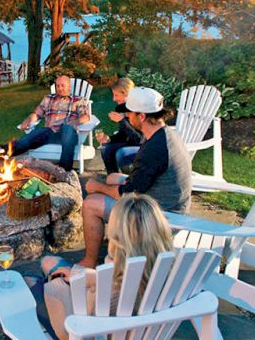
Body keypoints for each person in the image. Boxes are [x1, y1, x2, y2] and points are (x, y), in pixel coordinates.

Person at [80, 86, 191, 268]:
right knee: (113, 177)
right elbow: (142, 179)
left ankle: (89, 262)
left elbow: (128, 194)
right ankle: (115, 237)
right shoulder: (165, 134)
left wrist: (97, 187)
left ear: (141, 116)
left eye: (130, 114)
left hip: (160, 217)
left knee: (91, 203)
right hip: (168, 202)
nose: (128, 118)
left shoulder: (155, 149)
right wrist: (112, 181)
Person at [40, 194, 174, 339]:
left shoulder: (114, 285)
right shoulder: (166, 267)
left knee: (32, 282)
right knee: (50, 263)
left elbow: (90, 314)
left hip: (81, 327)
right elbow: (119, 281)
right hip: (134, 327)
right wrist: (90, 277)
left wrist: (69, 284)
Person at [0, 74, 90, 172]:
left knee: (66, 129)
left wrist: (72, 123)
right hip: (49, 133)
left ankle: (64, 170)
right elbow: (37, 113)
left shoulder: (78, 100)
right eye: (58, 86)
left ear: (69, 87)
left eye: (63, 86)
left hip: (67, 134)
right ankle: (2, 151)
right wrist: (27, 121)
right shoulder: (48, 98)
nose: (60, 88)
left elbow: (85, 116)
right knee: (33, 136)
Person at [97, 77, 142, 173]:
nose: (114, 99)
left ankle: (118, 179)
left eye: (116, 95)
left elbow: (139, 139)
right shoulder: (126, 109)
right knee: (106, 146)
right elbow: (123, 135)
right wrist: (109, 139)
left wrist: (122, 120)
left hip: (144, 145)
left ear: (126, 94)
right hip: (132, 142)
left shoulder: (139, 110)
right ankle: (113, 178)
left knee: (111, 149)